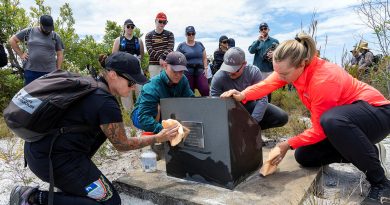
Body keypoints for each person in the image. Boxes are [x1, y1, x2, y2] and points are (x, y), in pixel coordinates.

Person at [221, 33, 390, 205]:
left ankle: (381, 183)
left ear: (302, 64)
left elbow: (320, 129)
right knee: (304, 155)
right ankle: (365, 151)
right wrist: (243, 95)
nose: (280, 77)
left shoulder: (323, 79)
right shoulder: (288, 69)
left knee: (331, 120)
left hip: (377, 114)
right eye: (277, 71)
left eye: (284, 74)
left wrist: (287, 144)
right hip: (348, 124)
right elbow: (266, 84)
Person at [9, 51, 179, 205]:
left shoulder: (91, 85)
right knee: (110, 202)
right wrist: (158, 137)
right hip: (55, 160)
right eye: (131, 82)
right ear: (112, 75)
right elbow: (123, 144)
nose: (134, 86)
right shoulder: (105, 102)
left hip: (40, 152)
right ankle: (31, 198)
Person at [211, 47, 288, 130]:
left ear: (244, 64)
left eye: (234, 70)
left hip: (249, 106)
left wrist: (253, 121)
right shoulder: (218, 77)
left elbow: (262, 99)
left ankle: (252, 131)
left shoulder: (253, 72)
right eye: (227, 68)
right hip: (228, 109)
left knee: (281, 117)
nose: (230, 73)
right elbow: (215, 105)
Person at [131, 51, 194, 134]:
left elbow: (191, 101)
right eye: (175, 70)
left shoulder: (183, 79)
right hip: (141, 114)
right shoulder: (152, 86)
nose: (178, 75)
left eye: (181, 71)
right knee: (157, 108)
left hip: (165, 112)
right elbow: (144, 118)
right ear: (165, 66)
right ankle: (152, 137)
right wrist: (165, 131)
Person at [9, 14, 64, 85]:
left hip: (50, 72)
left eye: (50, 28)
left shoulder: (55, 36)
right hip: (31, 71)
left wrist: (58, 70)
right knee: (30, 94)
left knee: (47, 95)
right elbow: (12, 40)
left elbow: (60, 54)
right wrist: (21, 54)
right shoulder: (29, 31)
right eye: (46, 28)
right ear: (40, 24)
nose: (48, 31)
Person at [112, 18, 145, 112]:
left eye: (132, 26)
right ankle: (129, 115)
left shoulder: (138, 40)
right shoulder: (118, 40)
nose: (130, 28)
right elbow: (113, 56)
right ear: (124, 27)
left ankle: (140, 114)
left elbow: (141, 55)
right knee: (126, 93)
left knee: (140, 91)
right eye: (128, 26)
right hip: (123, 71)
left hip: (136, 69)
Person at [248, 22, 279, 102]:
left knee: (268, 90)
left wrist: (274, 54)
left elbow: (281, 53)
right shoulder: (256, 42)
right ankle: (258, 106)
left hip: (269, 70)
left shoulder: (274, 41)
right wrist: (258, 41)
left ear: (268, 29)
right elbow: (251, 51)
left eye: (265, 28)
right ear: (259, 31)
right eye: (261, 29)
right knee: (258, 89)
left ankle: (268, 107)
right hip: (258, 70)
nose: (263, 30)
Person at [176, 26, 209, 96]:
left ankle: (207, 105)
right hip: (187, 70)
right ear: (185, 35)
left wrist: (206, 68)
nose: (191, 35)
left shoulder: (200, 44)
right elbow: (177, 58)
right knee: (188, 91)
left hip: (200, 69)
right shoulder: (181, 46)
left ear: (195, 34)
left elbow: (205, 58)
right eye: (189, 34)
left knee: (205, 89)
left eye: (193, 33)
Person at [145, 12, 174, 78]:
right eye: (160, 21)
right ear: (155, 21)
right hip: (154, 65)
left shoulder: (170, 34)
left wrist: (162, 58)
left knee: (167, 86)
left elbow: (170, 48)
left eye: (164, 22)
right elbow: (150, 50)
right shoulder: (149, 35)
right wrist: (159, 59)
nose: (162, 24)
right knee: (155, 86)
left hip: (166, 64)